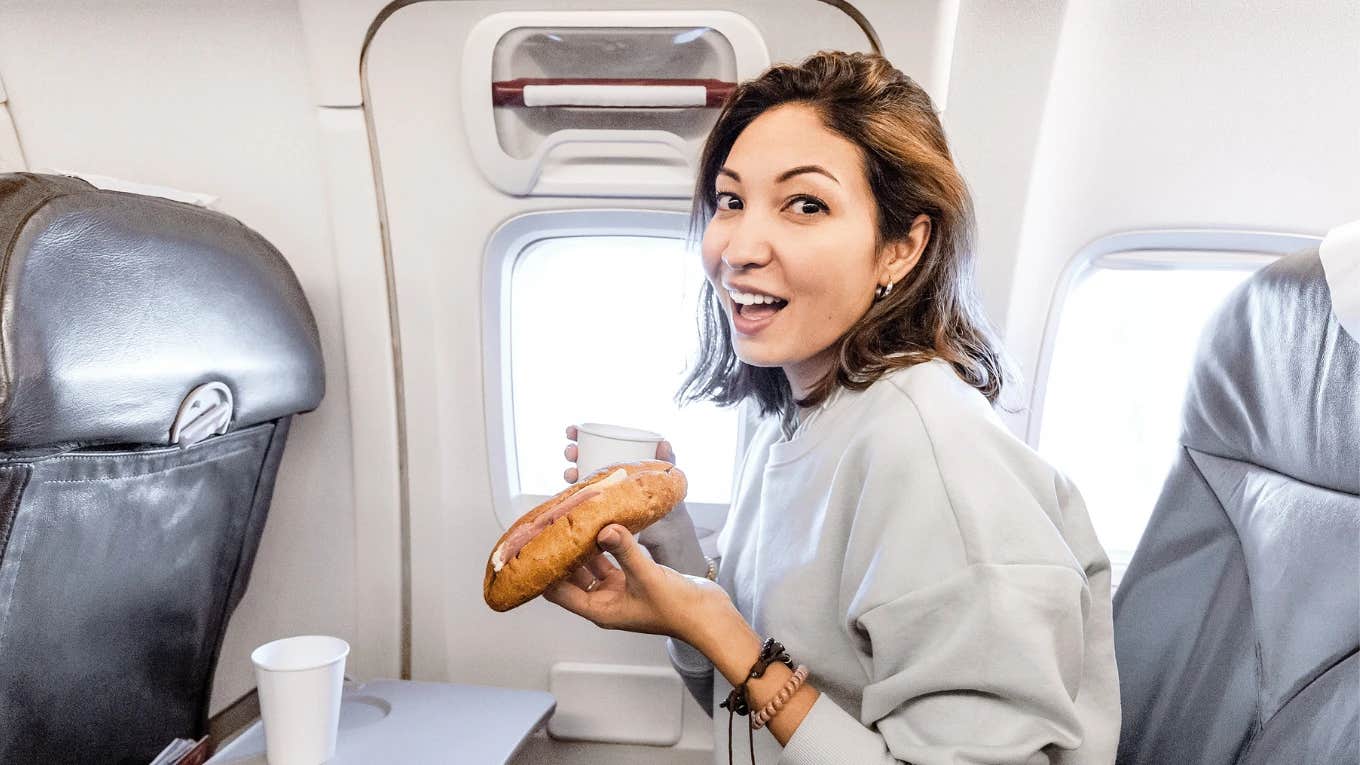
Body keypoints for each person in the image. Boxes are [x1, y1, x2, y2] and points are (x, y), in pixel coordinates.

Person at [544, 50, 1121, 765]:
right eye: (731, 201)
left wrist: (727, 634)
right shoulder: (792, 415)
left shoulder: (935, 459)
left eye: (805, 204)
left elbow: (759, 675)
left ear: (902, 247)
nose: (739, 247)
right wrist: (672, 551)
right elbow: (752, 721)